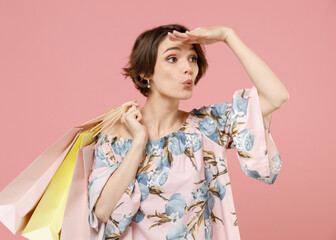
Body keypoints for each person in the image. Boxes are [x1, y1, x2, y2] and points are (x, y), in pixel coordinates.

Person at [87, 24, 289, 239]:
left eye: (192, 59)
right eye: (172, 59)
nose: (188, 68)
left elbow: (276, 96)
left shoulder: (207, 126)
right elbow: (103, 211)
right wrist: (139, 141)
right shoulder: (116, 133)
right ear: (146, 73)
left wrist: (228, 36)